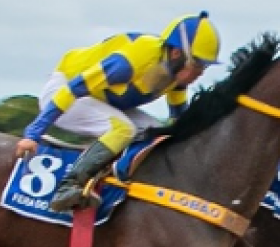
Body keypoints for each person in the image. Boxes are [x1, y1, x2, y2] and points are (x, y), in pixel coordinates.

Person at [15, 11, 221, 212]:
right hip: (65, 92)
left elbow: (178, 121)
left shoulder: (176, 77)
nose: (200, 74)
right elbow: (73, 89)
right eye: (198, 65)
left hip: (99, 99)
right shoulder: (128, 63)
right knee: (124, 130)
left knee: (159, 134)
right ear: (177, 53)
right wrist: (33, 134)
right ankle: (68, 187)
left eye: (205, 68)